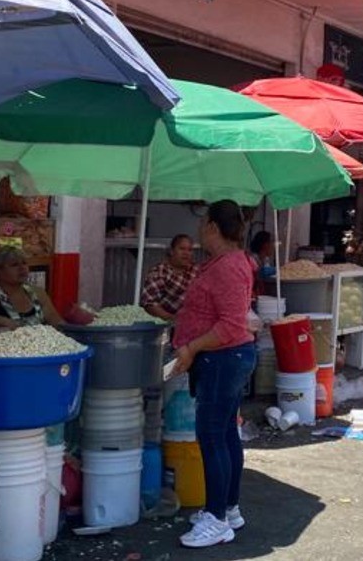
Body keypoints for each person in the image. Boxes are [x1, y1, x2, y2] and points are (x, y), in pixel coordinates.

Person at [171, 200, 257, 549]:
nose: (199, 229)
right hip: (225, 357)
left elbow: (230, 325)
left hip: (224, 358)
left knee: (211, 436)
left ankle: (216, 518)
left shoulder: (228, 267)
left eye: (203, 222)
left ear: (213, 228)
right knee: (225, 434)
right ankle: (228, 508)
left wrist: (191, 348)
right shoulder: (224, 263)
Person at [140, 234, 199, 321]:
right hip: (166, 323)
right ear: (171, 251)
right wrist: (171, 318)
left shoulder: (198, 270)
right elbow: (149, 303)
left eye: (190, 250)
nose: (186, 253)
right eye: (182, 249)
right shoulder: (159, 271)